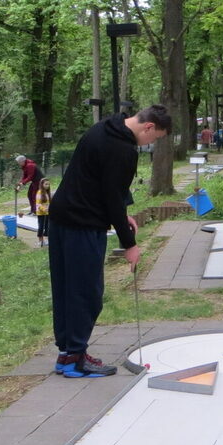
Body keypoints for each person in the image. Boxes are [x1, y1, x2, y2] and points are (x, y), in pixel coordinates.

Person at [48, 104, 171, 378]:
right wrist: (130, 244)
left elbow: (103, 184)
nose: (151, 143)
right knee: (86, 293)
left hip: (60, 218)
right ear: (148, 127)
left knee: (66, 289)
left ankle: (67, 353)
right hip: (82, 223)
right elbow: (112, 197)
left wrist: (123, 215)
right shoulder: (123, 149)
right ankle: (76, 360)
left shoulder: (104, 128)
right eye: (155, 138)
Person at [35, 179, 52, 247]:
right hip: (41, 213)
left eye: (48, 184)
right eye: (46, 184)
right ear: (42, 185)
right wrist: (43, 209)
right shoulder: (39, 192)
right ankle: (40, 240)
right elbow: (38, 204)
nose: (47, 186)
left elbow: (49, 203)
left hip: (47, 213)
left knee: (47, 226)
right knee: (41, 226)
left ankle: (46, 239)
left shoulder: (48, 193)